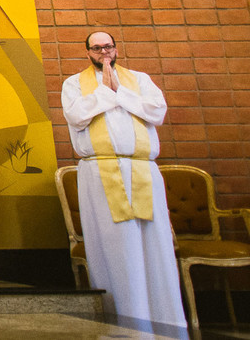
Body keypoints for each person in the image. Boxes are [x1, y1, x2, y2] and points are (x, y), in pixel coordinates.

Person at [61, 31, 187, 329]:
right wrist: (106, 92)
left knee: (154, 246)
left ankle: (164, 321)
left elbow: (157, 112)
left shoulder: (140, 80)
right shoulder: (74, 83)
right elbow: (76, 116)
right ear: (87, 52)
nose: (103, 52)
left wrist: (120, 91)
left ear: (116, 49)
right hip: (100, 172)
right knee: (117, 246)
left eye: (108, 46)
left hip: (143, 169)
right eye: (96, 48)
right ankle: (126, 322)